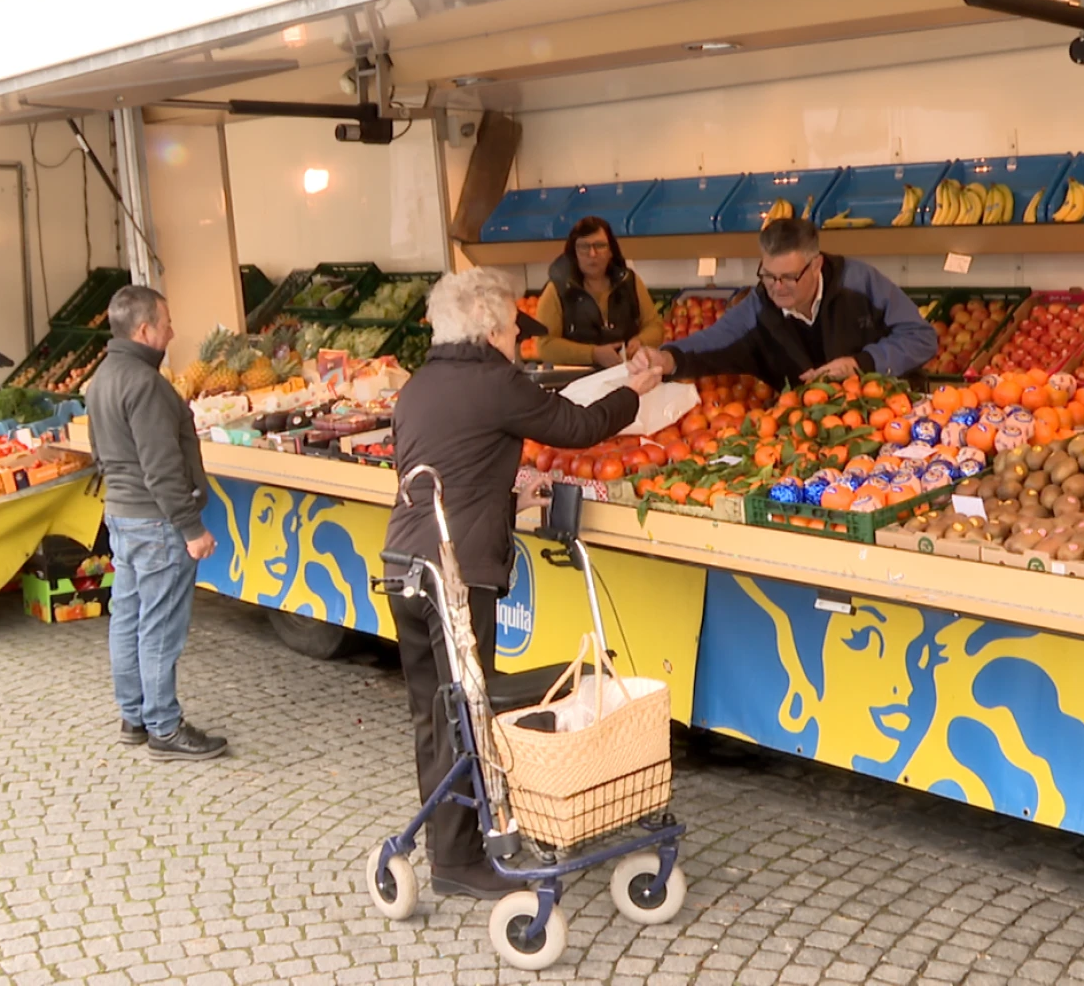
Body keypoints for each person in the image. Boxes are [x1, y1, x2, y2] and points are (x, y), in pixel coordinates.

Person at [383, 269, 662, 899]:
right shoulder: (493, 380)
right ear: (488, 330)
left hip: (404, 565)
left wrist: (504, 490)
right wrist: (635, 391)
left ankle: (450, 849)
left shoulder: (420, 385)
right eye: (512, 327)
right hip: (456, 577)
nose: (518, 338)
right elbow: (577, 427)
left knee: (436, 716)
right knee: (469, 715)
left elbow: (440, 465)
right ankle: (459, 860)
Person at [85, 285, 227, 761]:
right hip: (156, 522)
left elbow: (102, 454)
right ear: (144, 330)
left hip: (122, 515)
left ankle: (135, 716)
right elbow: (161, 466)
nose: (173, 332)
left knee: (126, 616)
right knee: (160, 627)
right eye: (166, 323)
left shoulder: (103, 376)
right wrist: (191, 528)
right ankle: (164, 727)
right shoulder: (145, 384)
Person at [636, 217, 937, 386]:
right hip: (816, 432)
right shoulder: (759, 307)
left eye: (789, 278)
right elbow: (714, 340)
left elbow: (921, 337)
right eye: (768, 276)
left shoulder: (860, 283)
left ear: (817, 265)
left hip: (891, 418)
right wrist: (668, 358)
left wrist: (862, 363)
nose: (777, 288)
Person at [533, 216, 665, 368]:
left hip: (628, 375)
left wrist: (641, 341)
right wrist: (593, 354)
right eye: (584, 247)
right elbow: (545, 346)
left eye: (600, 245)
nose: (592, 254)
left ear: (611, 251)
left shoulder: (630, 282)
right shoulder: (557, 289)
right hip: (577, 383)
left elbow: (655, 326)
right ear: (573, 253)